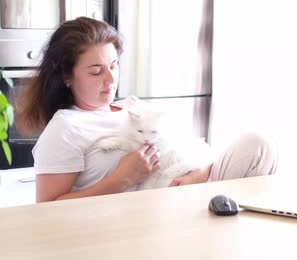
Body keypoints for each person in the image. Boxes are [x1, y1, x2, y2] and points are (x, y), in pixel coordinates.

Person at [17, 17, 278, 202]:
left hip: (190, 190)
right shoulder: (66, 128)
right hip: (148, 215)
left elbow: (186, 147)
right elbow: (47, 211)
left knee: (258, 146)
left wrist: (200, 175)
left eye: (114, 65)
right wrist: (122, 179)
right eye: (96, 71)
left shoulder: (134, 107)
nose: (110, 79)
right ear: (67, 77)